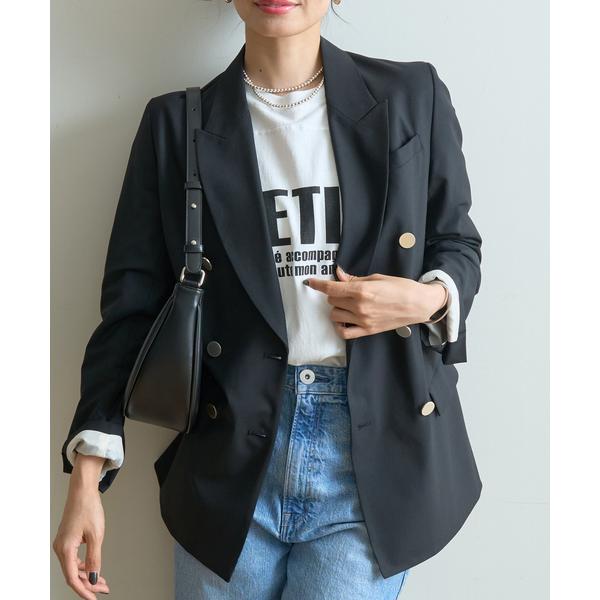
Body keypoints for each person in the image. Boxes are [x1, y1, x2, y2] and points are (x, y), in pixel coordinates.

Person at [53, 1, 483, 598]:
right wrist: (85, 477)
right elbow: (132, 306)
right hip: (229, 455)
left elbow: (456, 242)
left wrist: (425, 300)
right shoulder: (176, 124)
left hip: (374, 453)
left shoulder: (412, 95)